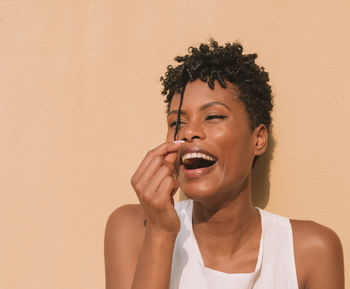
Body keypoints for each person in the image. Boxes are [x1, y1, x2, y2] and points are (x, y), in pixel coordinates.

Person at [104, 40, 344, 289]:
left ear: (258, 139)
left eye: (213, 117)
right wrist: (160, 233)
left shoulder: (311, 252)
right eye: (177, 123)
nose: (189, 132)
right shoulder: (134, 228)